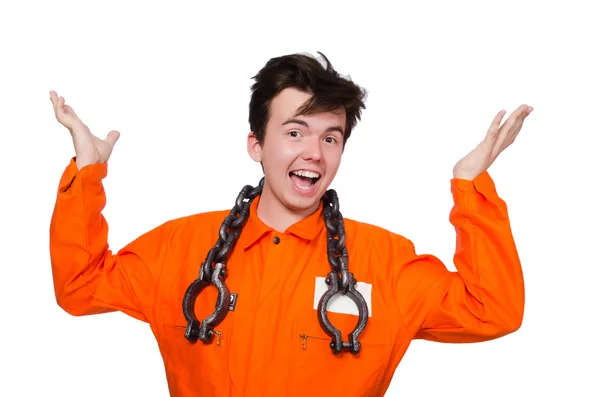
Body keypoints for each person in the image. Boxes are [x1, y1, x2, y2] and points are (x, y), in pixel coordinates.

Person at [48, 51, 533, 397]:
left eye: (331, 137)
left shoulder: (386, 264)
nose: (313, 154)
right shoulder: (181, 247)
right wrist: (87, 175)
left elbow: (492, 309)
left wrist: (470, 186)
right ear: (256, 145)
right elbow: (80, 285)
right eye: (294, 132)